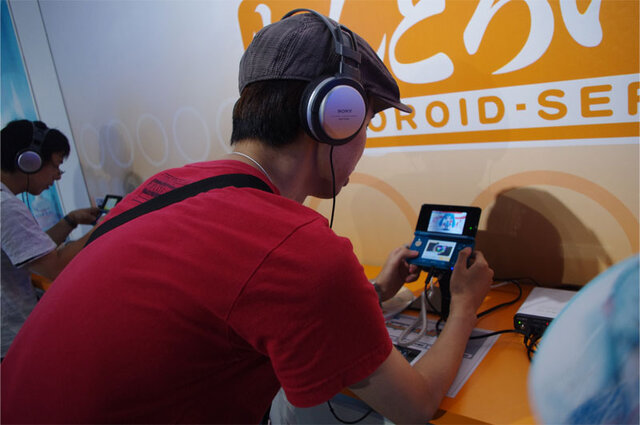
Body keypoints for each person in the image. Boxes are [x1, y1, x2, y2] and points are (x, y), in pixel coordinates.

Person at [0, 11, 493, 424]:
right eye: (365, 124)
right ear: (334, 119)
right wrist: (466, 304)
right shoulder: (297, 248)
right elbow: (415, 406)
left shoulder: (163, 187)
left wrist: (377, 290)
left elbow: (242, 303)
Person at [0, 119, 101, 359]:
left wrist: (70, 221)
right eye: (56, 166)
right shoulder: (5, 207)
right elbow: (53, 267)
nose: (57, 176)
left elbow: (31, 250)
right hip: (10, 342)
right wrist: (109, 224)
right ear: (29, 161)